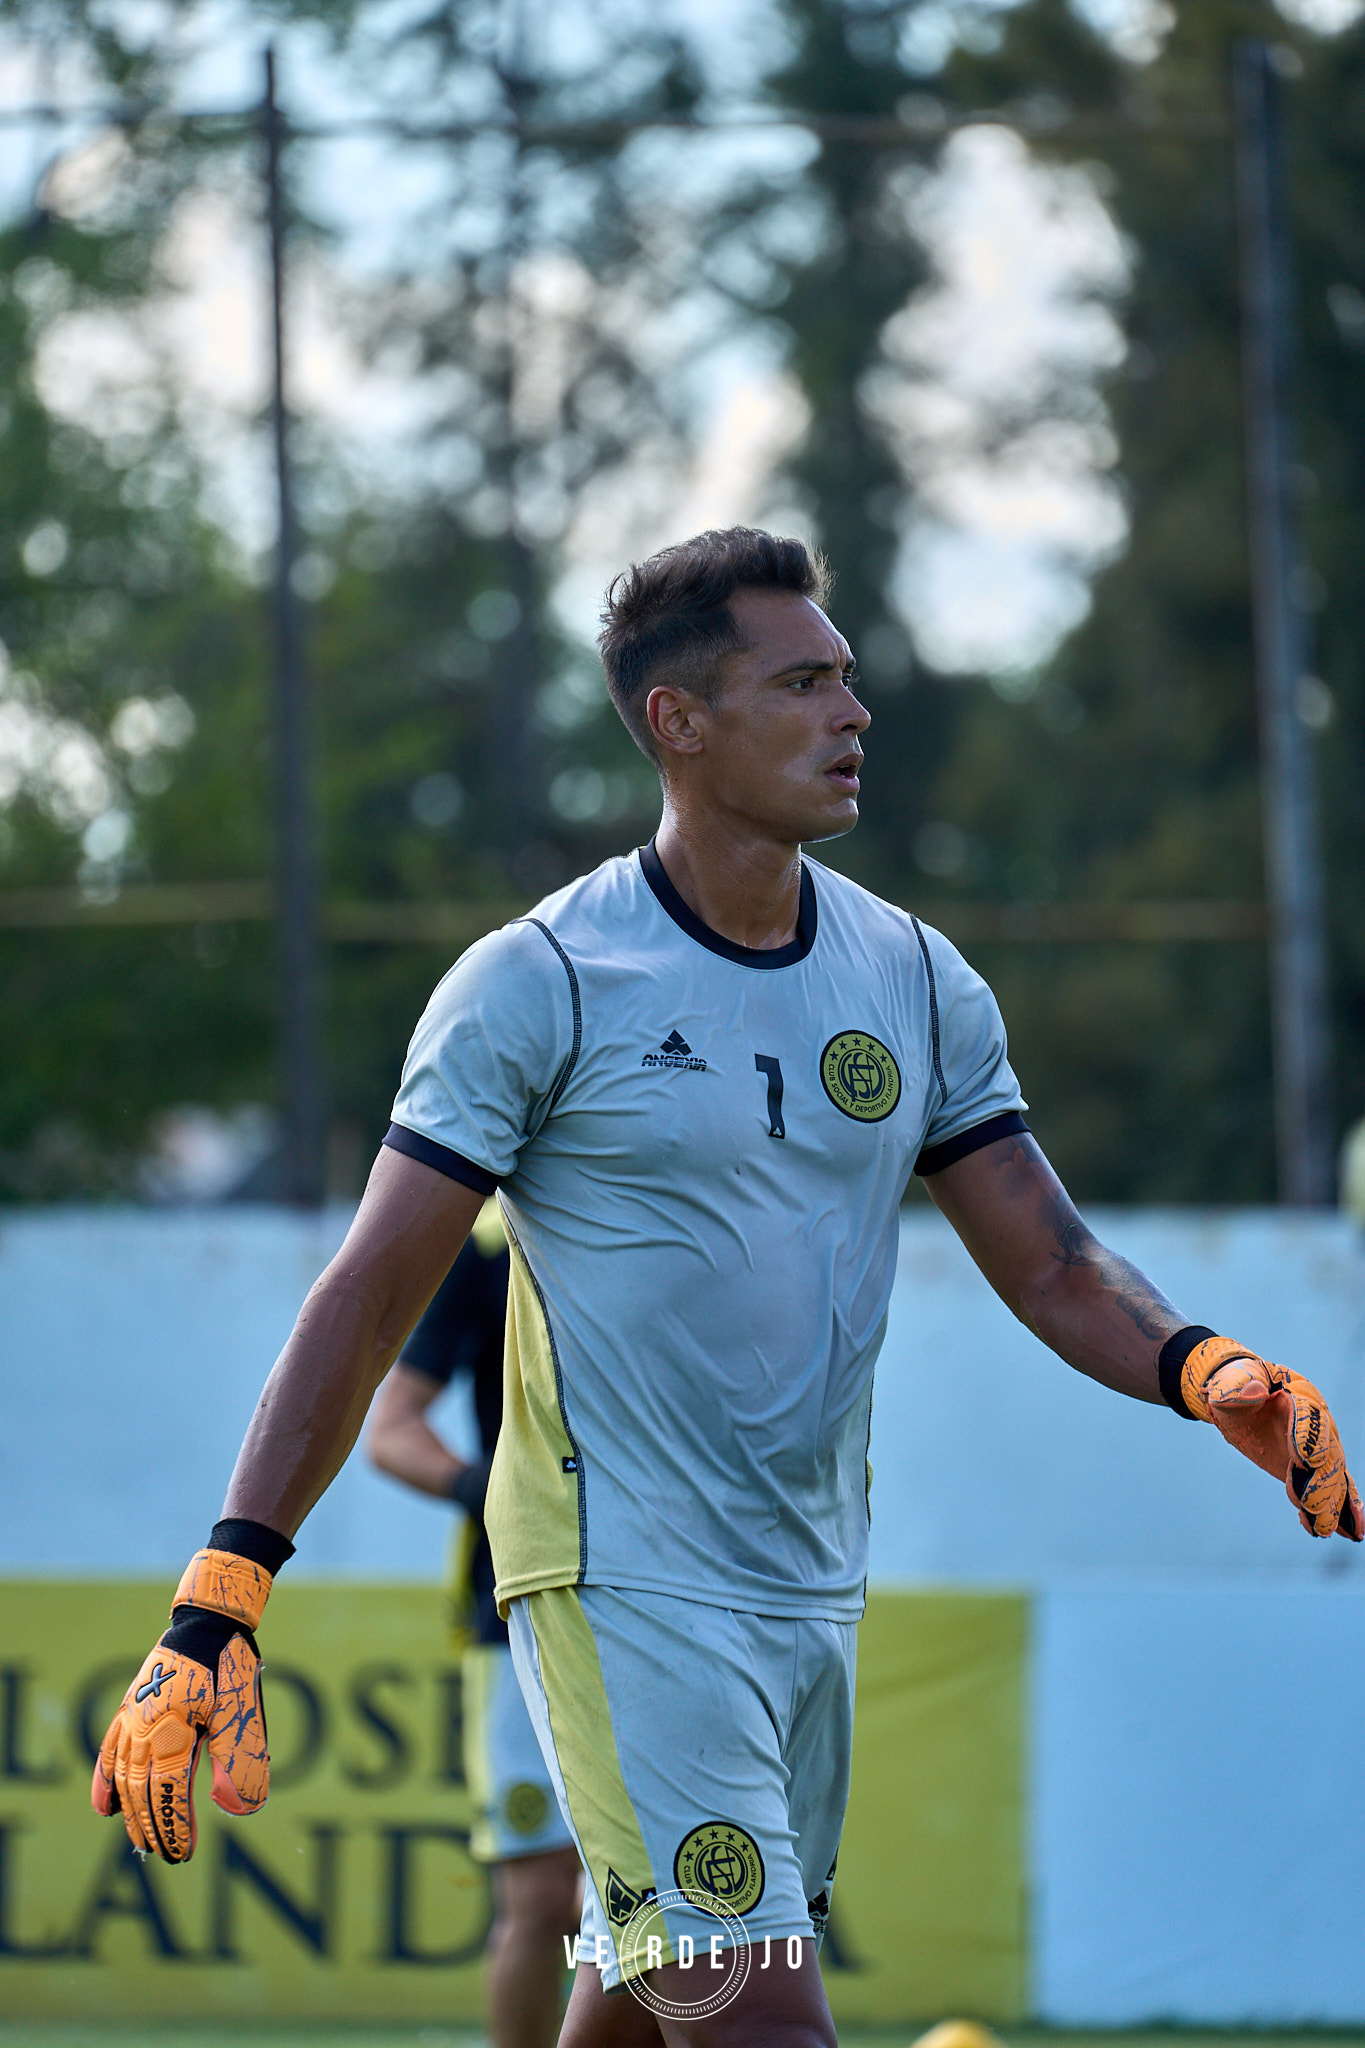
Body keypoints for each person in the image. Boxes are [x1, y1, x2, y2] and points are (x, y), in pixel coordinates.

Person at [94, 528, 1361, 2048]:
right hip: (619, 1578)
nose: (853, 712)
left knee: (649, 2006)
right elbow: (370, 1295)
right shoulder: (542, 980)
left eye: (847, 678)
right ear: (677, 722)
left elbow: (1054, 1258)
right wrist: (224, 1587)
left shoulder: (914, 978)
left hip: (809, 1577)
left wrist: (1202, 1366)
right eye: (803, 682)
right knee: (761, 2024)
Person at [365, 1194, 581, 2048]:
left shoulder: (683, 1215)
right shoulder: (490, 1243)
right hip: (520, 1608)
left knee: (666, 1898)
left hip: (674, 1599)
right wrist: (494, 1495)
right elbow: (391, 1430)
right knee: (542, 1897)